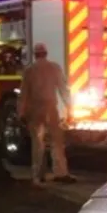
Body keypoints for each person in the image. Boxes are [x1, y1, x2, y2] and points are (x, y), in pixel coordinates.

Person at [18, 43, 75, 185]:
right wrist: (70, 108)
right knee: (56, 142)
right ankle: (61, 172)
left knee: (38, 142)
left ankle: (38, 175)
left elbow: (24, 94)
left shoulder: (29, 71)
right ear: (46, 53)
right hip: (51, 108)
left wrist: (21, 112)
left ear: (35, 54)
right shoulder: (54, 68)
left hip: (35, 109)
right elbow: (63, 89)